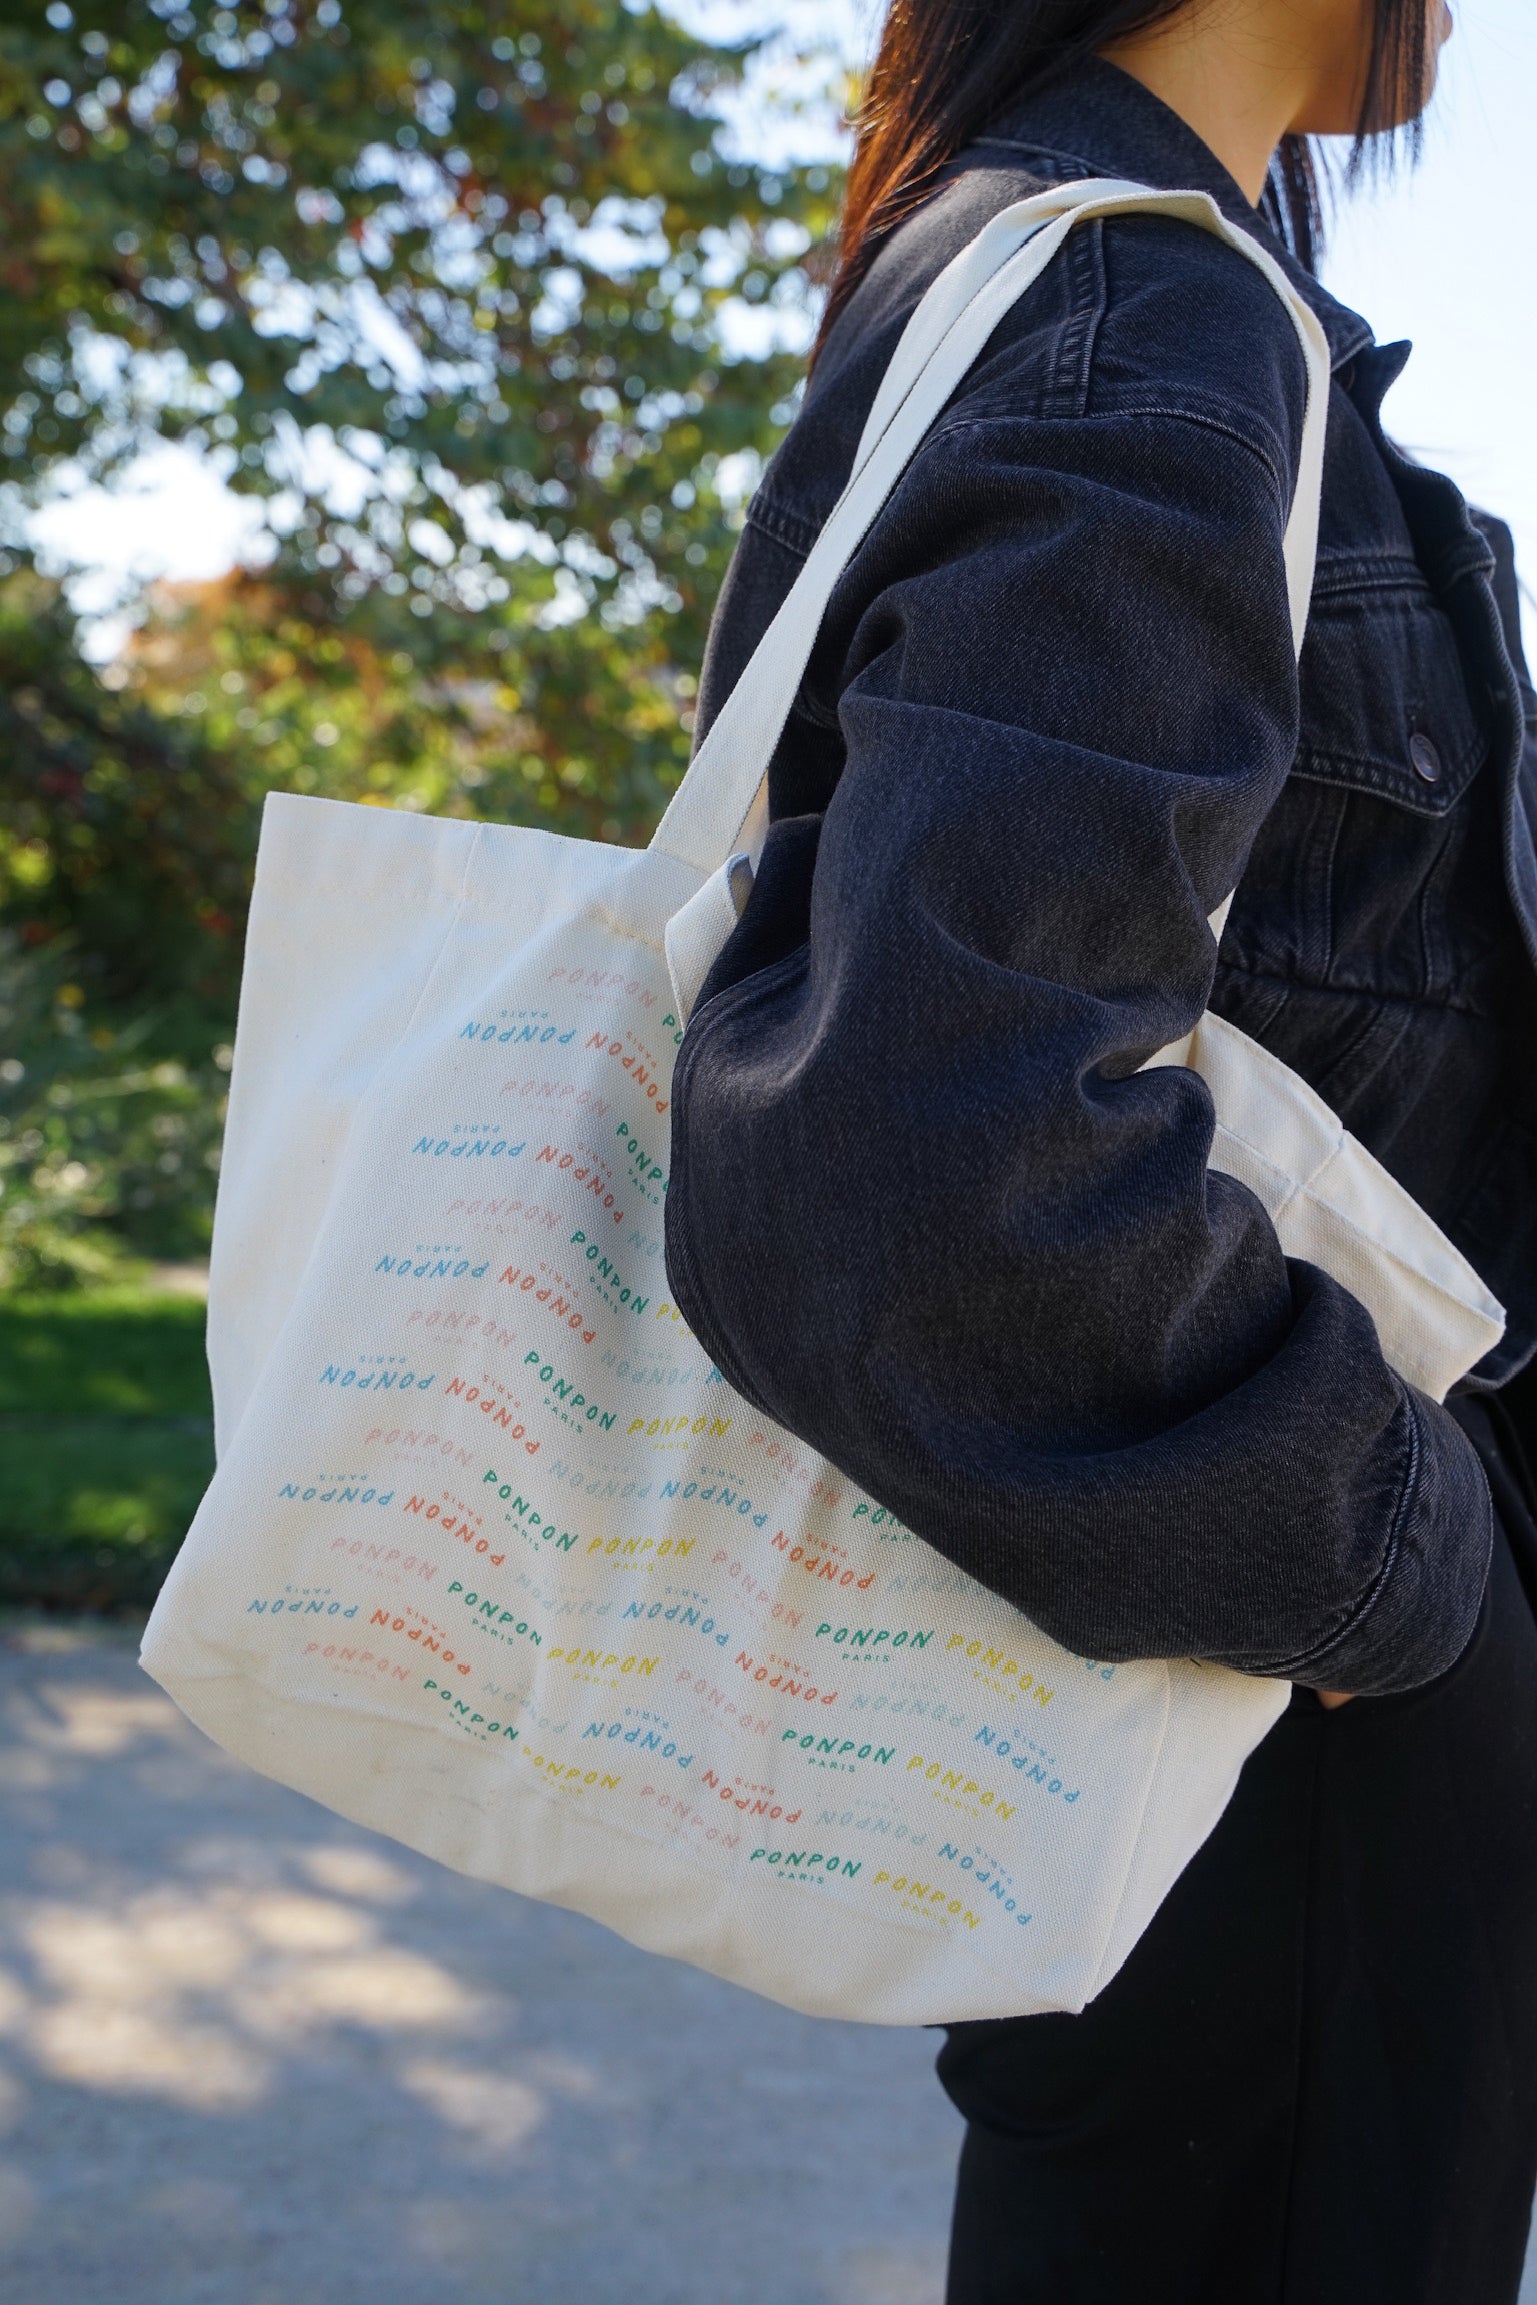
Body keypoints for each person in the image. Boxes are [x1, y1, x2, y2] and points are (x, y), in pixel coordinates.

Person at [662, 0, 1537, 2297]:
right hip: (1278, 1702)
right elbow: (913, 1165)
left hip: (1243, 1689)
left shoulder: (1186, 300)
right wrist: (1405, 1568)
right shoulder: (1126, 311)